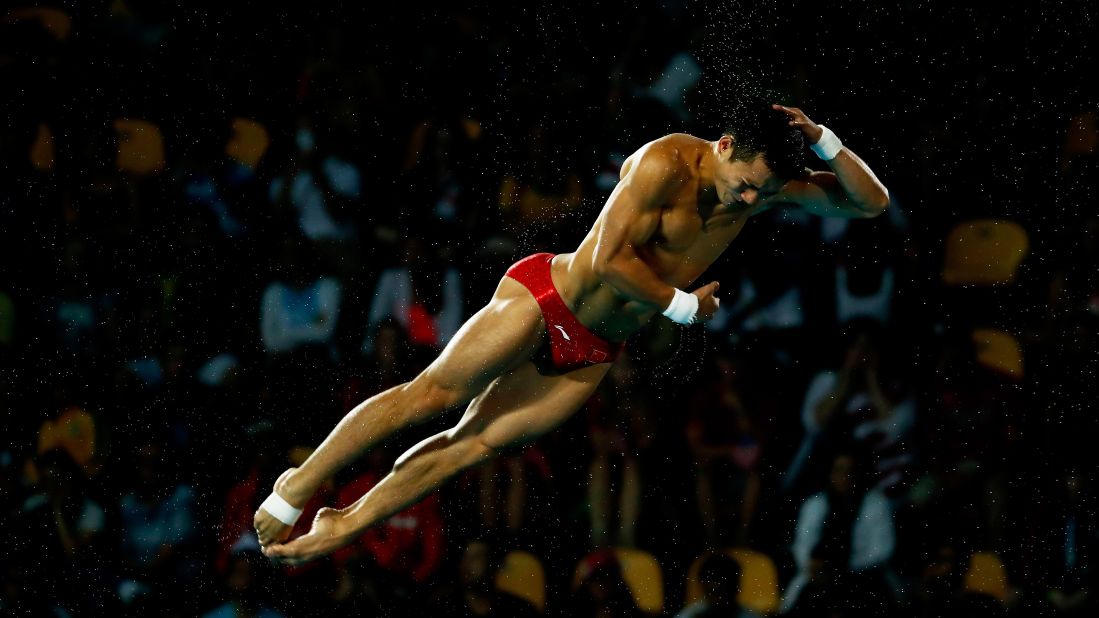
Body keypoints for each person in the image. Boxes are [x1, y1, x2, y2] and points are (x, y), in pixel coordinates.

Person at [255, 98, 890, 564]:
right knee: (433, 396)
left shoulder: (767, 184)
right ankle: (299, 484)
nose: (750, 203)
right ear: (724, 146)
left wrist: (824, 139)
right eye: (747, 187)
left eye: (764, 194)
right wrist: (680, 308)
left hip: (596, 347)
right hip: (548, 298)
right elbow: (610, 262)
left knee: (473, 446)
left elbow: (870, 203)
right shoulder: (663, 164)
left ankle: (344, 524)